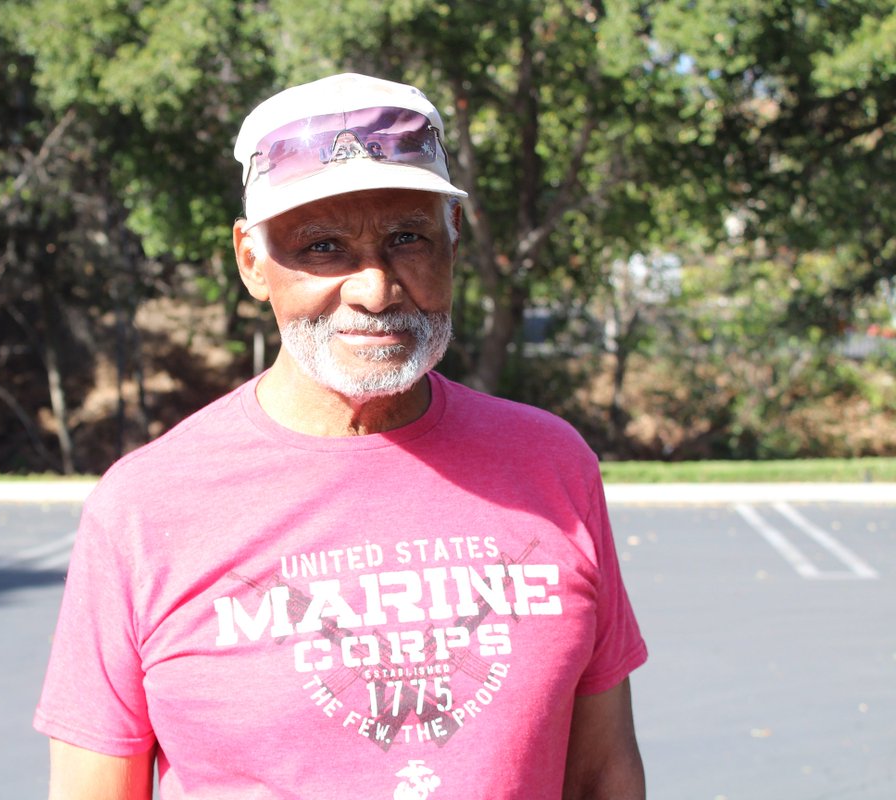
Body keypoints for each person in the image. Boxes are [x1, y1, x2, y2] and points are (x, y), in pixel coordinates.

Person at [34, 72, 648, 800]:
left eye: (407, 237)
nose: (375, 289)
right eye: (323, 247)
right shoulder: (145, 506)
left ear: (454, 237)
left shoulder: (551, 465)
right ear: (251, 261)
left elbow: (603, 772)